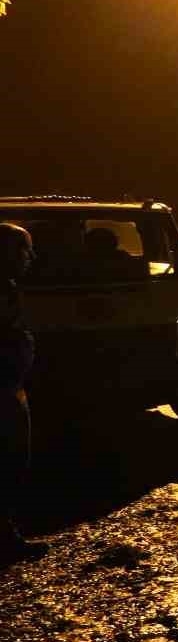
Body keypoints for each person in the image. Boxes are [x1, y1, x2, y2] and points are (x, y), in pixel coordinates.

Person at [1, 222, 44, 562]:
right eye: (25, 249)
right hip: (3, 390)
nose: (31, 257)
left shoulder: (9, 287)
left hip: (12, 385)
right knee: (8, 461)